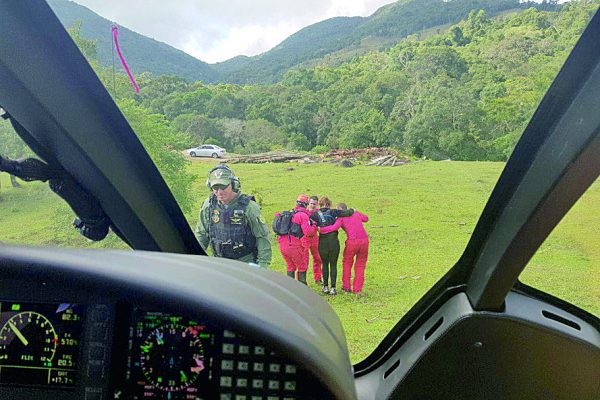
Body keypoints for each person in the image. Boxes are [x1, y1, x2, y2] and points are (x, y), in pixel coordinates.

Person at [195, 164, 272, 268]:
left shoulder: (249, 208)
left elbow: (262, 237)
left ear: (233, 184)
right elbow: (202, 235)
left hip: (245, 263)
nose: (219, 192)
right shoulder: (208, 205)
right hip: (219, 263)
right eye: (215, 188)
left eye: (223, 187)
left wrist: (262, 266)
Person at [319, 203, 369, 300]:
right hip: (364, 242)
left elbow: (333, 228)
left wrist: (321, 229)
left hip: (352, 242)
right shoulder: (356, 213)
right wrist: (356, 210)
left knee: (347, 263)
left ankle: (346, 287)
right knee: (360, 265)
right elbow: (366, 218)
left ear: (340, 210)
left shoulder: (341, 218)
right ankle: (357, 289)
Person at [309, 197, 354, 295]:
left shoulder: (315, 215)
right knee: (333, 264)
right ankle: (333, 288)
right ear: (329, 204)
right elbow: (347, 213)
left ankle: (325, 287)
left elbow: (309, 222)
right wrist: (352, 210)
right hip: (334, 242)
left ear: (319, 205)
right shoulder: (333, 212)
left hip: (323, 243)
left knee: (324, 264)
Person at [274, 194, 316, 284]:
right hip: (293, 245)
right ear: (306, 204)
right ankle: (302, 289)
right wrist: (314, 226)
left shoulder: (290, 213)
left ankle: (290, 289)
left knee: (290, 267)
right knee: (302, 267)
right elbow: (308, 232)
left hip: (282, 245)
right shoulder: (302, 216)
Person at [304, 195, 323, 284]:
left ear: (317, 204)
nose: (312, 206)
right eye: (311, 203)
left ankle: (318, 278)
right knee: (304, 260)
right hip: (305, 238)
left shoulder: (319, 213)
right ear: (308, 204)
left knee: (318, 258)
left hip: (315, 238)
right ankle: (302, 280)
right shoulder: (304, 213)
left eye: (314, 204)